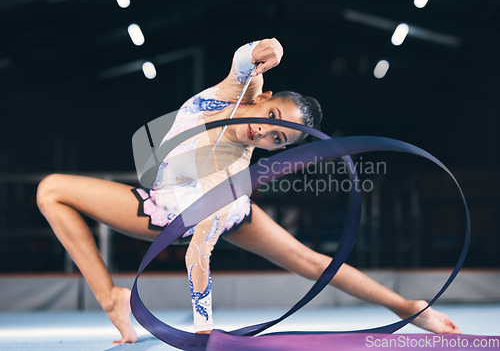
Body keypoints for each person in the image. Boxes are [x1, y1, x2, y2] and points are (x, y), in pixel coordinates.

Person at [36, 38, 460, 344]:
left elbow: (197, 254)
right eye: (271, 116)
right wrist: (268, 50)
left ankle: (407, 306)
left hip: (211, 209)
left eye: (277, 139)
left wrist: (203, 333)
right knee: (51, 190)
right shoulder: (231, 95)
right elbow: (248, 59)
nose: (263, 131)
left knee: (309, 260)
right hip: (161, 204)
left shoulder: (232, 178)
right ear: (264, 97)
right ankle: (110, 296)